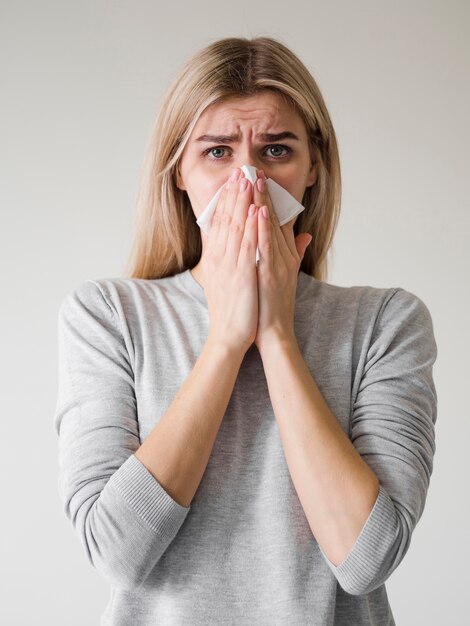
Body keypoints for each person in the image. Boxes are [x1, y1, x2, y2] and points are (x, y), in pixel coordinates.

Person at [53, 36, 438, 625]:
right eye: (216, 152)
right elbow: (116, 553)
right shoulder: (109, 316)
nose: (249, 181)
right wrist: (227, 338)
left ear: (314, 168)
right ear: (179, 172)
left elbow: (367, 560)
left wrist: (277, 336)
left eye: (276, 150)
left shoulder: (387, 322)